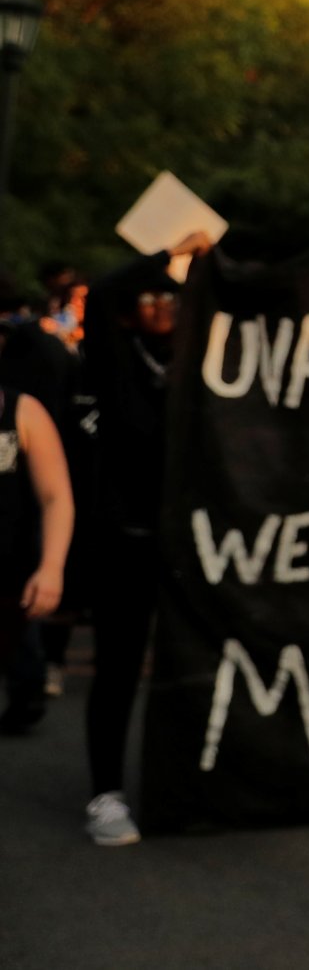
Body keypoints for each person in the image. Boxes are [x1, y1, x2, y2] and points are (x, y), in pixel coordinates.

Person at [79, 231, 214, 845]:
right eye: (152, 297)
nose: (164, 306)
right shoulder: (115, 358)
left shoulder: (202, 363)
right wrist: (168, 253)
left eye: (174, 298)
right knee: (120, 664)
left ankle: (189, 783)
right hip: (126, 539)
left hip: (192, 544)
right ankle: (105, 793)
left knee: (197, 663)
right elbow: (105, 292)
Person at [0, 277, 74, 743]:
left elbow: (56, 496)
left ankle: (24, 701)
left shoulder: (21, 412)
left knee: (23, 674)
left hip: (9, 575)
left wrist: (51, 567)